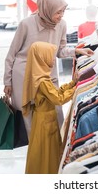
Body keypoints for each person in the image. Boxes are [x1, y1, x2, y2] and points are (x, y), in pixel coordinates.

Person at [3, 0, 93, 138]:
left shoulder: (61, 25)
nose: (61, 15)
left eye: (63, 11)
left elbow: (60, 51)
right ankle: (36, 151)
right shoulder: (26, 24)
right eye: (58, 12)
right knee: (28, 116)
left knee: (55, 111)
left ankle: (55, 148)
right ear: (47, 9)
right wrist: (7, 81)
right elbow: (11, 54)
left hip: (48, 74)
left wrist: (77, 51)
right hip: (23, 75)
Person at [22, 41, 77, 174]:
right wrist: (75, 89)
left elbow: (56, 92)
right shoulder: (43, 82)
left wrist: (72, 83)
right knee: (46, 153)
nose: (53, 59)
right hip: (45, 123)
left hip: (43, 120)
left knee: (43, 153)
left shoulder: (39, 77)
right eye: (50, 56)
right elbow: (58, 99)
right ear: (42, 58)